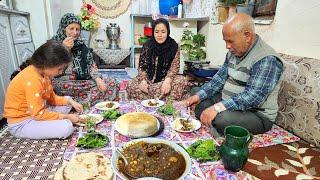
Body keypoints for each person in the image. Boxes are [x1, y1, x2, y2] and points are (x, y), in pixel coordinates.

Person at [182, 13, 284, 135]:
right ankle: (211, 121)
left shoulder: (267, 59)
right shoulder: (234, 52)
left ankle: (214, 124)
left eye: (230, 41)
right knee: (196, 94)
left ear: (247, 36)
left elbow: (252, 98)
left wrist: (217, 108)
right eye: (225, 41)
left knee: (221, 119)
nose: (227, 46)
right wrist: (196, 97)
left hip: (255, 114)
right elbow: (218, 80)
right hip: (228, 102)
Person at [4, 41, 84, 139]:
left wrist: (71, 101)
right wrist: (66, 117)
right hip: (22, 123)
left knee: (67, 105)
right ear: (46, 64)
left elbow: (52, 99)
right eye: (59, 69)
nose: (61, 72)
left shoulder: (44, 74)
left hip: (35, 113)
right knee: (66, 127)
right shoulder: (32, 79)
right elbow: (38, 114)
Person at [51, 13, 119, 105]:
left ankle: (81, 101)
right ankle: (75, 102)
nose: (75, 33)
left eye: (77, 29)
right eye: (71, 28)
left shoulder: (81, 45)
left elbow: (91, 64)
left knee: (111, 82)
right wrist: (64, 49)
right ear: (63, 29)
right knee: (57, 86)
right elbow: (52, 69)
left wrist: (98, 79)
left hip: (84, 82)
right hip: (65, 83)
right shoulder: (53, 45)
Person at [126, 18, 189, 100]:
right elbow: (142, 66)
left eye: (163, 32)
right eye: (156, 32)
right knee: (131, 84)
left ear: (168, 32)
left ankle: (153, 98)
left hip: (164, 81)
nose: (160, 35)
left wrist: (168, 81)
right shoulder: (148, 45)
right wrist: (143, 81)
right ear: (153, 32)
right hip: (148, 81)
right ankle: (158, 98)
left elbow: (174, 68)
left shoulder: (174, 46)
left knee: (182, 80)